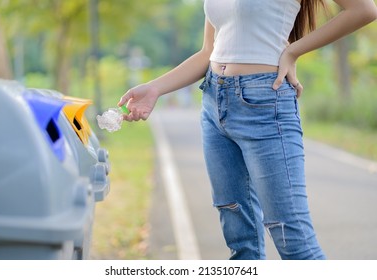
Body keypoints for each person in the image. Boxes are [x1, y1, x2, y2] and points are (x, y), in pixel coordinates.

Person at [118, 0, 377, 260]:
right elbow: (208, 52)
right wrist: (155, 88)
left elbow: (364, 10)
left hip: (265, 103)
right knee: (241, 242)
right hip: (213, 104)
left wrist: (293, 51)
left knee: (293, 240)